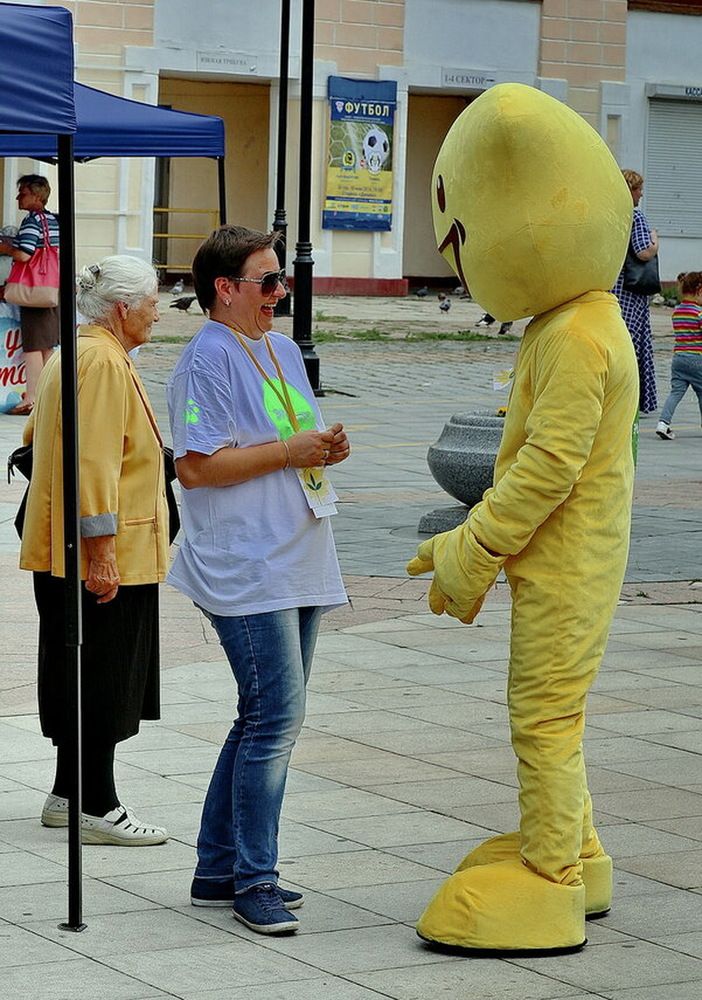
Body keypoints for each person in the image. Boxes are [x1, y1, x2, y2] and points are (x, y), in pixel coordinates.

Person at [408, 83, 637, 954]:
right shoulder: (571, 321)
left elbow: (548, 468)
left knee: (541, 715)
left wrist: (473, 542)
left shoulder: (578, 336)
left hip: (570, 558)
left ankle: (551, 878)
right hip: (564, 557)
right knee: (554, 712)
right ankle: (578, 848)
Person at [166, 225, 350, 935]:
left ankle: (219, 869)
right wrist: (288, 451)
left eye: (282, 279)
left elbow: (293, 442)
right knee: (276, 717)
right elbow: (197, 466)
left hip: (297, 550)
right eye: (268, 281)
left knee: (262, 715)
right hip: (245, 562)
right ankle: (255, 879)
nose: (281, 292)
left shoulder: (279, 350)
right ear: (226, 288)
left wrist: (322, 449)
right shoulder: (204, 359)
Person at [19, 255, 170, 846]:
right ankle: (98, 805)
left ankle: (66, 792)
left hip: (60, 548)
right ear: (123, 308)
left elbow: (35, 440)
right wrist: (102, 553)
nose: (159, 311)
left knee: (73, 669)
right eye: (153, 301)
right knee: (104, 676)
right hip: (102, 555)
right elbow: (96, 461)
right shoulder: (104, 362)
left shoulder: (67, 351)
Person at [0, 175, 60, 415]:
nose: (18, 197)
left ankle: (32, 398)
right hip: (51, 287)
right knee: (47, 346)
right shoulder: (54, 220)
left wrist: (5, 248)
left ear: (37, 196)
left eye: (22, 193)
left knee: (34, 346)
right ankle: (51, 396)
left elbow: (24, 254)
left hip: (35, 292)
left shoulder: (33, 221)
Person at [613, 169, 660, 415]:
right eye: (639, 189)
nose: (641, 194)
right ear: (630, 189)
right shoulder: (635, 216)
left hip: (613, 289)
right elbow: (643, 252)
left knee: (616, 342)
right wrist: (655, 241)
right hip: (632, 292)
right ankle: (631, 398)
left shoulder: (611, 215)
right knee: (632, 345)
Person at [656, 271, 702, 440]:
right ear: (698, 290)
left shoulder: (677, 311)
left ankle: (663, 423)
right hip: (697, 359)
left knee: (675, 393)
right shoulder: (699, 313)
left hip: (679, 358)